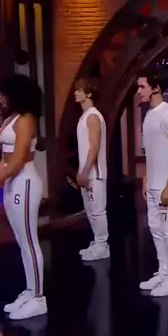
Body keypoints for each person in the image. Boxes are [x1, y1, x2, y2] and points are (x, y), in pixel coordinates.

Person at [0, 73, 46, 320]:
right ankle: (30, 291)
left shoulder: (26, 119)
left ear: (14, 93)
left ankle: (38, 298)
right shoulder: (12, 118)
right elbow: (5, 161)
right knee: (22, 241)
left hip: (25, 182)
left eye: (2, 94)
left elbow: (18, 160)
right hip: (12, 183)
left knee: (29, 241)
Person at [137, 68, 168, 297]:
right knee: (156, 230)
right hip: (154, 184)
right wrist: (146, 179)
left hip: (167, 186)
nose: (139, 91)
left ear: (156, 88)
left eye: (142, 87)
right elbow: (151, 152)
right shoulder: (149, 115)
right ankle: (163, 271)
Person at [74, 78, 109, 261]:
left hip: (95, 173)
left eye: (79, 90)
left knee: (98, 210)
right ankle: (97, 242)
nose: (75, 93)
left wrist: (86, 171)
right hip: (87, 172)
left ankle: (103, 245)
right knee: (90, 211)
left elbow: (94, 147)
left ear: (88, 93)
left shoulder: (93, 116)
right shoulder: (85, 116)